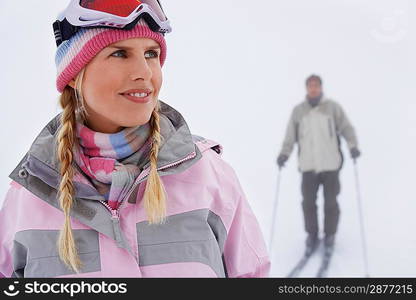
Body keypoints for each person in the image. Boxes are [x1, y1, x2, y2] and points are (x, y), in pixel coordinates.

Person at [0, 0, 270, 278]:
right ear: (73, 74)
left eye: (151, 54)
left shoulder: (208, 176)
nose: (144, 72)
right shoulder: (32, 195)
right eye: (119, 54)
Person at [276, 74, 360, 255]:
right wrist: (284, 154)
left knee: (331, 202)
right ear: (307, 88)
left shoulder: (332, 108)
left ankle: (330, 235)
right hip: (308, 166)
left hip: (331, 164)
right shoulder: (298, 111)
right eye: (310, 86)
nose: (313, 89)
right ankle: (312, 235)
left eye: (316, 85)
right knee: (308, 203)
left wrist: (353, 146)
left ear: (321, 87)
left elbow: (346, 128)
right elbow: (290, 137)